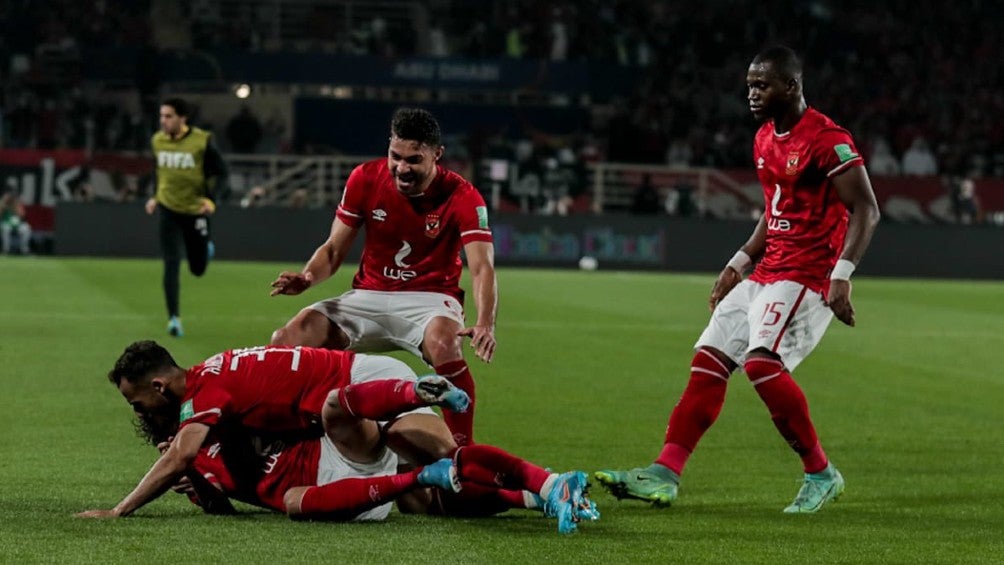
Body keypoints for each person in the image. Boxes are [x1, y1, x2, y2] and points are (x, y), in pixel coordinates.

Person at [596, 45, 880, 514]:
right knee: (708, 360)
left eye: (761, 85)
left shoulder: (826, 138)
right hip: (768, 271)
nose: (750, 94)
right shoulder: (765, 138)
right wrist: (738, 263)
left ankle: (821, 473)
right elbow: (774, 215)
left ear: (791, 86)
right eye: (749, 85)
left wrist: (842, 275)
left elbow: (866, 208)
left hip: (807, 276)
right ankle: (664, 474)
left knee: (760, 364)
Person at [78, 341, 595, 533]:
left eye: (136, 400)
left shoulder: (204, 400)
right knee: (433, 501)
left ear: (159, 385)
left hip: (361, 386)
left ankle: (416, 391)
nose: (138, 411)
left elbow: (181, 456)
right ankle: (538, 496)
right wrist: (201, 488)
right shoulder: (211, 397)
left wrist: (120, 510)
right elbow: (208, 478)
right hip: (342, 421)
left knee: (440, 451)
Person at [269, 108, 497, 448]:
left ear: (437, 155)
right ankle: (280, 438)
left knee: (444, 344)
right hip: (368, 296)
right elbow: (333, 251)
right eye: (396, 156)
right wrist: (307, 277)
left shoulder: (463, 196)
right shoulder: (365, 178)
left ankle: (462, 452)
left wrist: (485, 323)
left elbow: (482, 267)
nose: (402, 168)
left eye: (414, 160)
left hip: (430, 298)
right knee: (287, 338)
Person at [146, 97, 230, 337]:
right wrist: (154, 196)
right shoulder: (157, 141)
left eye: (168, 116)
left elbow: (222, 173)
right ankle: (174, 318)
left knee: (197, 268)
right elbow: (159, 172)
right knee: (170, 262)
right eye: (161, 116)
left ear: (183, 118)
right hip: (167, 209)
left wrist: (211, 199)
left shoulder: (201, 141)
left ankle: (205, 249)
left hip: (195, 211)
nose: (163, 121)